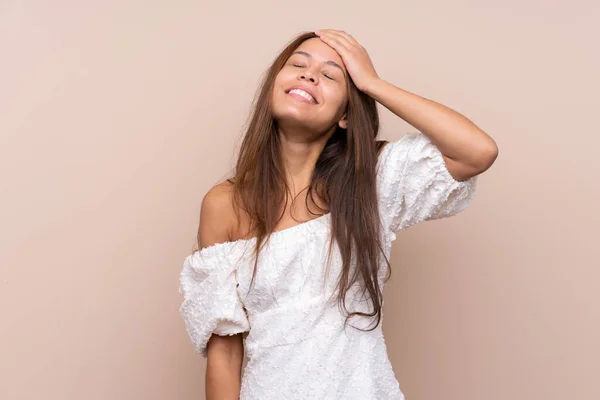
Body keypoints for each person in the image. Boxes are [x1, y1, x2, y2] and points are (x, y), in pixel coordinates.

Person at [179, 29, 498, 399]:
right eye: (298, 64)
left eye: (331, 75)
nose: (309, 75)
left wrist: (373, 84)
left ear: (346, 113)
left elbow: (477, 152)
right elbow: (224, 352)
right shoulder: (224, 203)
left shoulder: (372, 179)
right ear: (272, 88)